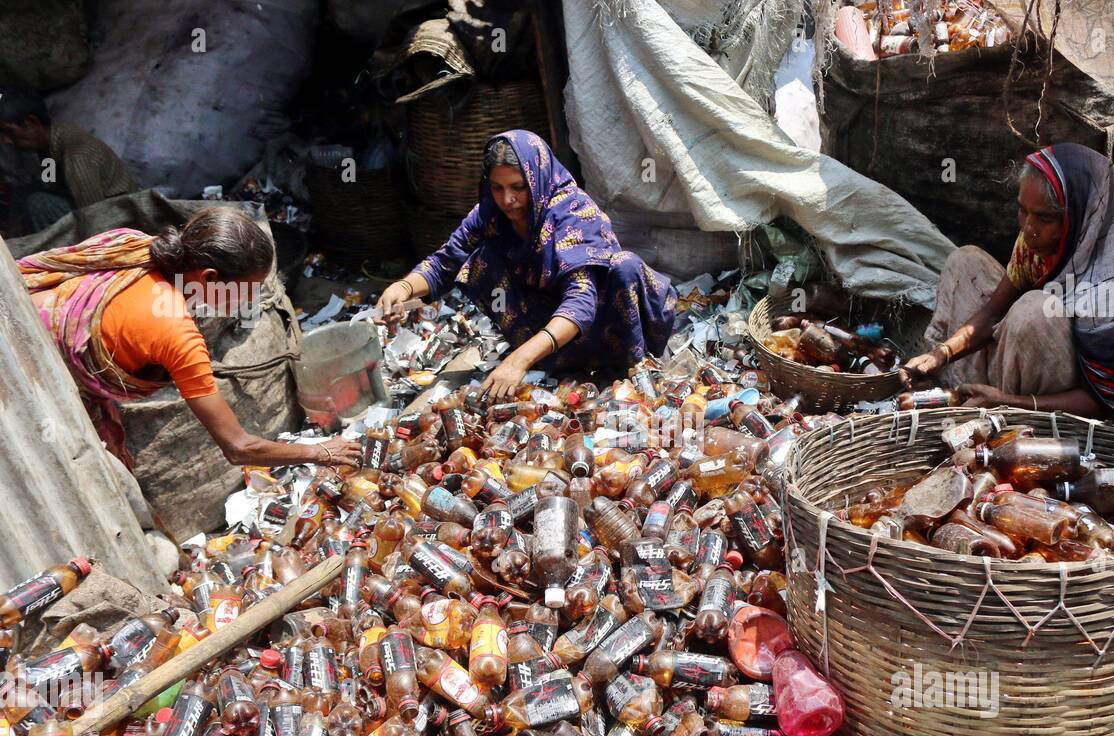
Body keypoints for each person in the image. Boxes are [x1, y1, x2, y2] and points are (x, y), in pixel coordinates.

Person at [20, 207, 360, 470]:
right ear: (210, 277)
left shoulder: (131, 244)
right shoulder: (176, 333)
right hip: (24, 379)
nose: (248, 303)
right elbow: (238, 447)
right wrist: (320, 452)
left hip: (19, 325)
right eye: (247, 292)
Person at [377, 130, 677, 402]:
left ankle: (632, 366)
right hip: (554, 328)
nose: (508, 199)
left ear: (537, 178)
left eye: (518, 187)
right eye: (497, 187)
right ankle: (553, 361)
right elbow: (447, 260)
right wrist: (402, 288)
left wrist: (517, 361)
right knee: (483, 260)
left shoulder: (572, 212)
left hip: (606, 321)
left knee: (625, 266)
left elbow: (581, 302)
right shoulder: (490, 213)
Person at [899, 143, 1114, 422]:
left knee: (1033, 310)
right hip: (1025, 379)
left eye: (1044, 218)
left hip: (1085, 418)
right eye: (1022, 211)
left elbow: (1107, 402)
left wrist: (1009, 402)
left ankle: (1006, 418)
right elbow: (993, 312)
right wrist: (941, 354)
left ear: (1080, 219)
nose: (1028, 229)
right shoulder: (1035, 245)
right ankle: (968, 397)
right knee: (965, 262)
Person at [0, 86, 138, 232]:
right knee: (25, 194)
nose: (6, 141)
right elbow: (50, 183)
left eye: (9, 132)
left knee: (39, 204)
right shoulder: (46, 147)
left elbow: (94, 216)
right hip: (87, 207)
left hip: (119, 220)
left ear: (31, 122)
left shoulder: (77, 156)